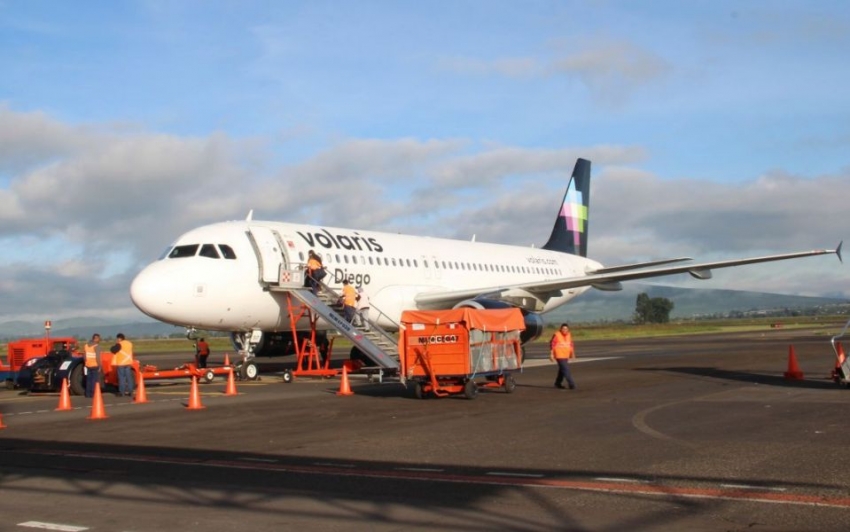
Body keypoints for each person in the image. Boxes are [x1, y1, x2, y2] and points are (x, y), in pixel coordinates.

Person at [549, 323, 576, 390]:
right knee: (566, 370)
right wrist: (551, 354)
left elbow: (571, 344)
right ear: (560, 329)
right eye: (563, 328)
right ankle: (572, 384)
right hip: (559, 355)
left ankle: (557, 383)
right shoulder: (557, 335)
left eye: (566, 329)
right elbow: (552, 344)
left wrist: (572, 354)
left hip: (566, 355)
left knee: (562, 370)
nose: (564, 330)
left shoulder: (569, 335)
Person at [112, 333, 135, 397]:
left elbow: (112, 350)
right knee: (129, 378)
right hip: (128, 363)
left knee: (122, 378)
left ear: (119, 338)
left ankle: (122, 392)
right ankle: (131, 391)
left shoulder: (119, 344)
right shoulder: (129, 343)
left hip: (121, 363)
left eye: (117, 339)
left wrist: (116, 343)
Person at [83, 333, 102, 398]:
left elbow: (84, 356)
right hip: (95, 365)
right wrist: (100, 366)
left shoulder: (86, 345)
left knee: (88, 380)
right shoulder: (97, 346)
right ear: (96, 339)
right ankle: (93, 393)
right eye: (99, 338)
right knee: (94, 380)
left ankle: (88, 394)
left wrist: (86, 362)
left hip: (88, 365)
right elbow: (98, 357)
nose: (99, 340)